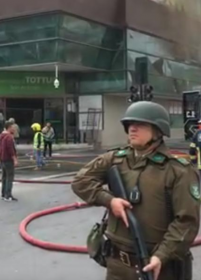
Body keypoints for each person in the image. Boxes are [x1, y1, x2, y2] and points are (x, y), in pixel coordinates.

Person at [71, 101, 200, 280]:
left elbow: (186, 222)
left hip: (158, 267)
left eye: (140, 124)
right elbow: (80, 181)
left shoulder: (178, 170)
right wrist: (109, 200)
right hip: (117, 266)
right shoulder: (115, 159)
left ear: (158, 130)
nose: (132, 128)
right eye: (130, 124)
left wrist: (161, 256)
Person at [0, 121, 18, 201]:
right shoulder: (9, 137)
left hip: (2, 159)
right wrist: (15, 159)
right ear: (9, 127)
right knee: (9, 177)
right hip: (8, 159)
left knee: (4, 177)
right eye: (13, 127)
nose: (14, 129)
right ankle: (8, 195)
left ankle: (3, 194)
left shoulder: (1, 136)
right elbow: (11, 150)